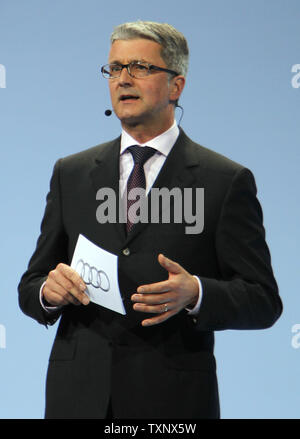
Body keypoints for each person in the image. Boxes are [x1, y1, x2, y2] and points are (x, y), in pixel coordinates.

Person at [18, 21, 282, 419]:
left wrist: (195, 292)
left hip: (172, 402)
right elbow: (31, 286)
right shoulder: (69, 173)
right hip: (77, 399)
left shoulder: (225, 180)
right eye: (114, 68)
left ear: (176, 86)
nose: (123, 79)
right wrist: (47, 292)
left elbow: (263, 301)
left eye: (140, 67)